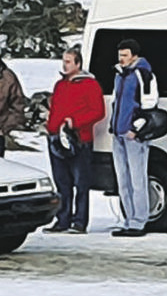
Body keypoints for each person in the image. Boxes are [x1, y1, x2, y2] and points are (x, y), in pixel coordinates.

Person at [43, 48, 105, 235]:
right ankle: (62, 219)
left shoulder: (90, 85)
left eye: (69, 61)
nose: (65, 65)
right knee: (62, 182)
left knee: (81, 183)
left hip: (79, 139)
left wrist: (75, 122)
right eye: (64, 61)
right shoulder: (60, 85)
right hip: (56, 138)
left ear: (78, 64)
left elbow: (98, 112)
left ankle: (80, 221)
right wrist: (50, 125)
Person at [110, 38, 158, 238]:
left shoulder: (143, 75)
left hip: (132, 134)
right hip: (118, 133)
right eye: (120, 55)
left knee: (137, 179)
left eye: (125, 55)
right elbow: (115, 101)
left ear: (134, 56)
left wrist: (136, 129)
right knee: (123, 179)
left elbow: (149, 104)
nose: (121, 59)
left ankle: (139, 221)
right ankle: (129, 219)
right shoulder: (120, 75)